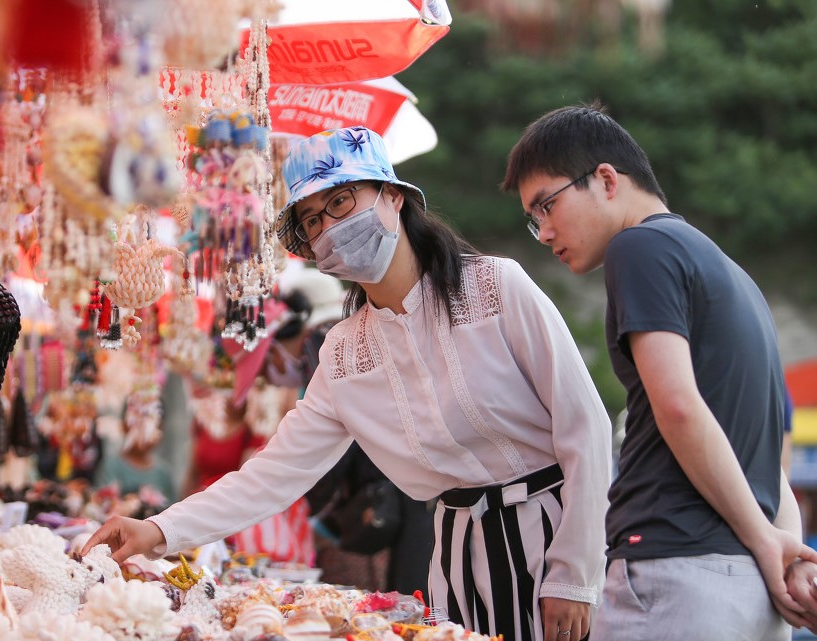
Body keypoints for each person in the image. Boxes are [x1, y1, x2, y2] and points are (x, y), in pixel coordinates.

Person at [83, 126, 612, 641]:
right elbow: (275, 472)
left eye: (340, 202)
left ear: (392, 197)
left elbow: (585, 427)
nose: (328, 226)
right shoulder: (343, 352)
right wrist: (159, 530)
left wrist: (574, 572)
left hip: (547, 535)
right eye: (312, 220)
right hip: (453, 550)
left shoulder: (496, 286)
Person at [501, 102, 817, 640]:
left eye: (547, 206)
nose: (546, 231)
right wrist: (785, 550)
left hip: (675, 578)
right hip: (747, 591)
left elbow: (676, 404)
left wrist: (770, 543)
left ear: (605, 179)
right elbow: (765, 453)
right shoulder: (731, 274)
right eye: (534, 221)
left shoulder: (639, 246)